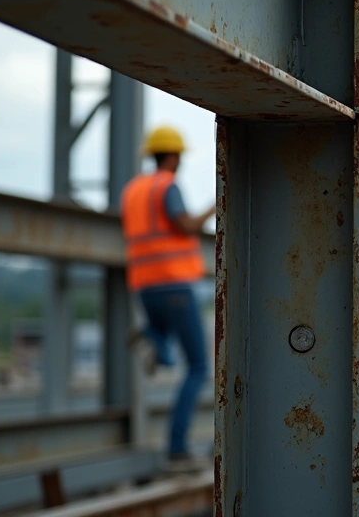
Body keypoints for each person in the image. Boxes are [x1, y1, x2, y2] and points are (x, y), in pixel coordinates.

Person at [120, 126, 213, 470]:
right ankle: (177, 448)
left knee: (169, 359)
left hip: (144, 286)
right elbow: (185, 226)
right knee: (199, 367)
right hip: (175, 284)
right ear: (172, 157)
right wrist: (211, 209)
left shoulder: (133, 190)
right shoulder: (166, 186)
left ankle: (151, 335)